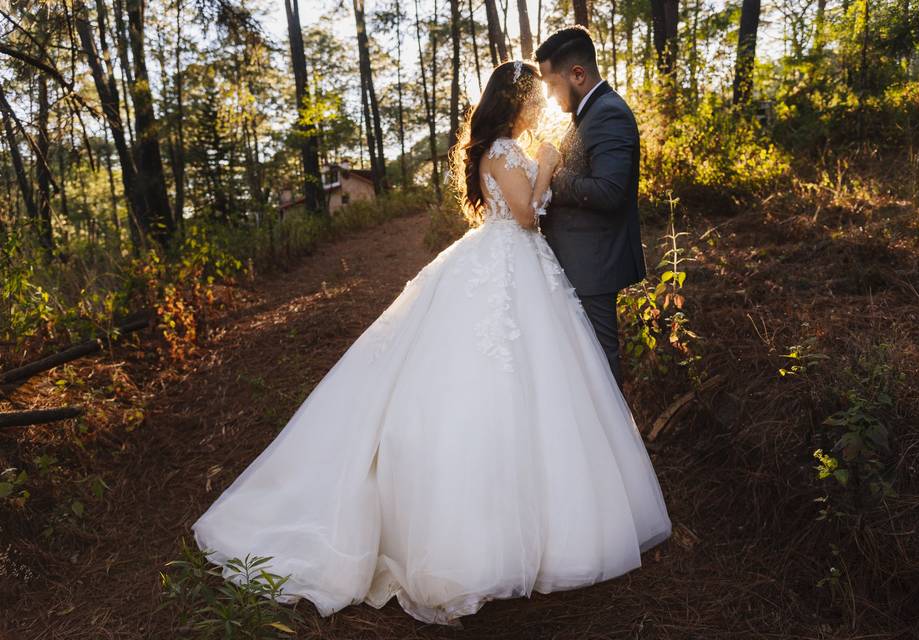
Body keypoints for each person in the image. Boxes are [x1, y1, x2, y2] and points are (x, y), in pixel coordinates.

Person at [191, 56, 671, 627]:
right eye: (531, 101)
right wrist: (544, 166)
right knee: (499, 378)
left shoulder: (496, 149)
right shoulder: (502, 150)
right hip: (509, 260)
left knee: (539, 379)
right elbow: (522, 214)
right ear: (513, 104)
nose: (538, 108)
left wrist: (540, 166)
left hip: (516, 267)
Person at [535, 26, 648, 389]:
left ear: (577, 74)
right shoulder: (591, 112)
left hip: (594, 266)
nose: (551, 97)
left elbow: (609, 191)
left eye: (552, 85)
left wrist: (551, 174)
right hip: (582, 262)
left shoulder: (609, 113)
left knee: (600, 366)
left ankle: (616, 446)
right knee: (586, 364)